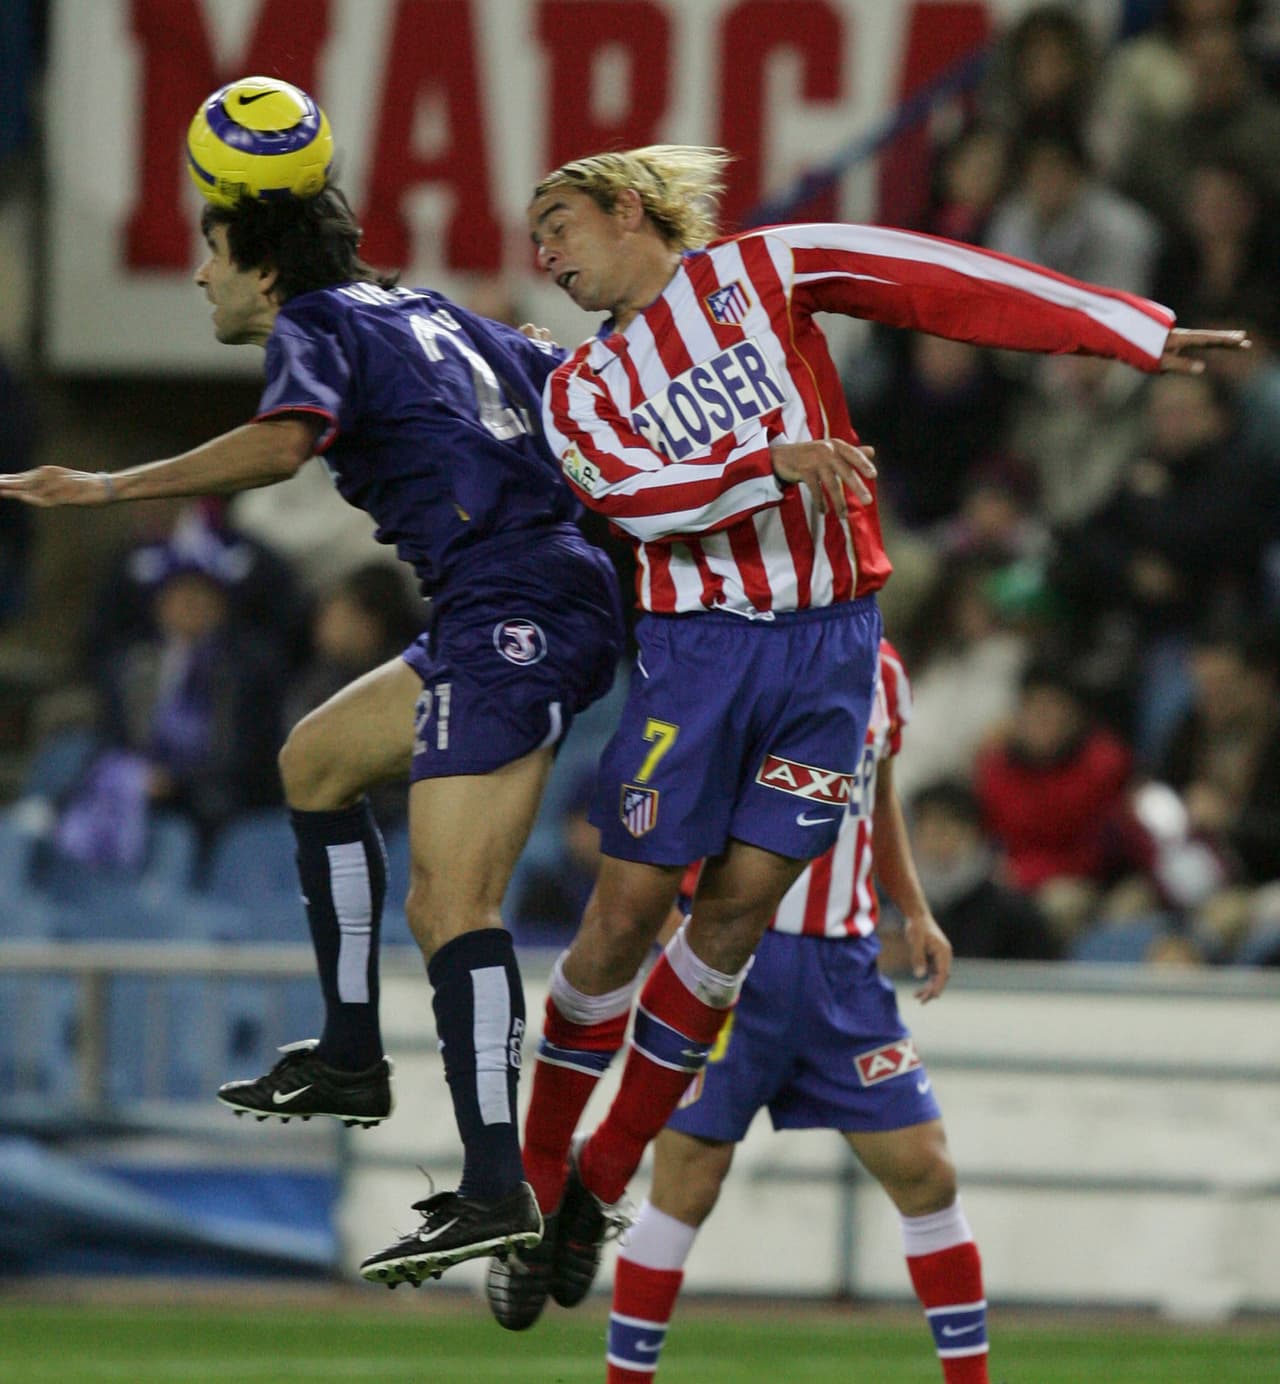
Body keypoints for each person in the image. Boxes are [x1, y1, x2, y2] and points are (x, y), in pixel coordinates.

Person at [496, 142, 1247, 1328]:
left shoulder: (765, 268)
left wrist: (1119, 327)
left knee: (730, 919)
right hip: (699, 652)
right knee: (624, 914)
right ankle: (536, 1178)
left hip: (833, 646)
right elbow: (632, 499)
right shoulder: (581, 386)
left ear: (628, 207)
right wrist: (763, 462)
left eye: (557, 221)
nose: (543, 251)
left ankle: (601, 1173)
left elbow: (933, 276)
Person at [0, 171, 624, 1279]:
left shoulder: (319, 321)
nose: (202, 276)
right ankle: (349, 1053)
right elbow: (571, 388)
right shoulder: (421, 308)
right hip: (502, 598)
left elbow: (286, 442)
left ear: (267, 266)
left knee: (450, 905)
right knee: (316, 760)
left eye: (216, 252)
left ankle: (496, 1185)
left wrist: (107, 486)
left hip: (517, 607)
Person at [517, 641, 993, 1384]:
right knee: (687, 1187)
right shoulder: (742, 654)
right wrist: (669, 920)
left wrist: (915, 907)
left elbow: (877, 796)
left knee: (927, 1172)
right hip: (736, 959)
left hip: (845, 974)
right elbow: (674, 791)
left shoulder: (886, 670)